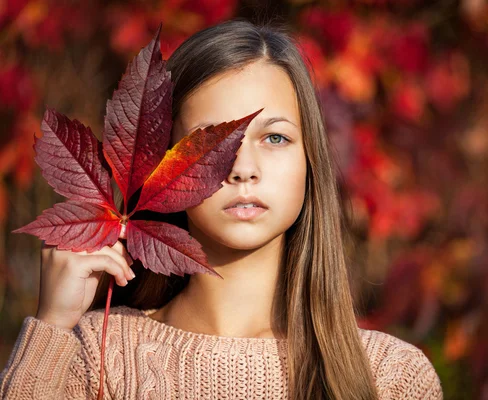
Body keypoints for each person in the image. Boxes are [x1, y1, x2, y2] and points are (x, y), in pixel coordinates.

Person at [0, 18, 443, 399]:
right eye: (209, 143)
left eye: (275, 138)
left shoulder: (389, 377)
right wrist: (52, 330)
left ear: (311, 160)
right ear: (161, 165)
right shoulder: (93, 355)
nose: (243, 169)